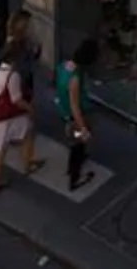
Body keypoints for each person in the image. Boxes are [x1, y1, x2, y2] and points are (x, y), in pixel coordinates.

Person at [1, 10, 46, 176]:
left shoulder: (15, 42)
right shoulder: (17, 47)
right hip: (21, 86)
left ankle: (14, 138)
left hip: (19, 85)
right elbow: (23, 67)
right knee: (28, 127)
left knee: (19, 120)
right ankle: (28, 163)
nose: (32, 28)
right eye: (29, 25)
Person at [0, 41, 33, 192]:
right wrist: (30, 108)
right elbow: (16, 100)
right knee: (5, 146)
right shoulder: (13, 76)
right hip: (9, 116)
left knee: (2, 145)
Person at [57, 37, 99, 190]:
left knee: (76, 143)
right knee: (78, 145)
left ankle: (72, 167)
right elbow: (75, 107)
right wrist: (83, 129)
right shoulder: (75, 78)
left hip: (64, 113)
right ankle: (75, 178)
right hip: (74, 119)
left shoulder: (63, 66)